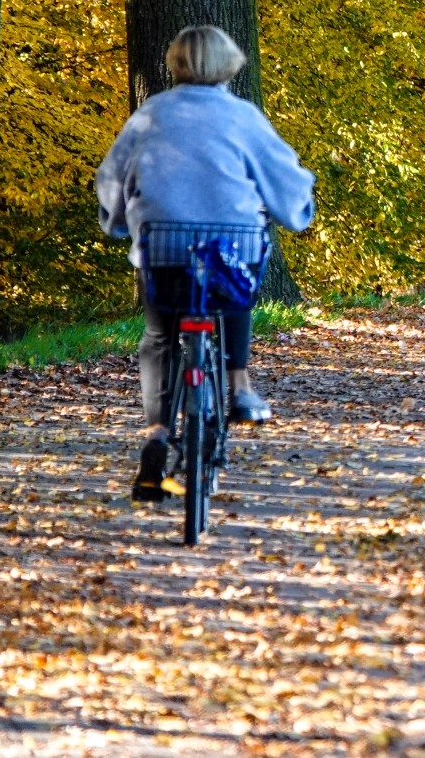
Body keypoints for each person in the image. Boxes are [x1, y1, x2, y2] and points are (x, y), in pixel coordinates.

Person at [95, 25, 316, 503]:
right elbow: (284, 175)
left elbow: (112, 174)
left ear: (176, 64)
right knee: (237, 279)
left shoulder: (150, 114)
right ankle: (239, 387)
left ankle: (156, 435)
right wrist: (297, 210)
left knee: (159, 337)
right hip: (228, 244)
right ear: (229, 63)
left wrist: (116, 221)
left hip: (165, 246)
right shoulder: (243, 117)